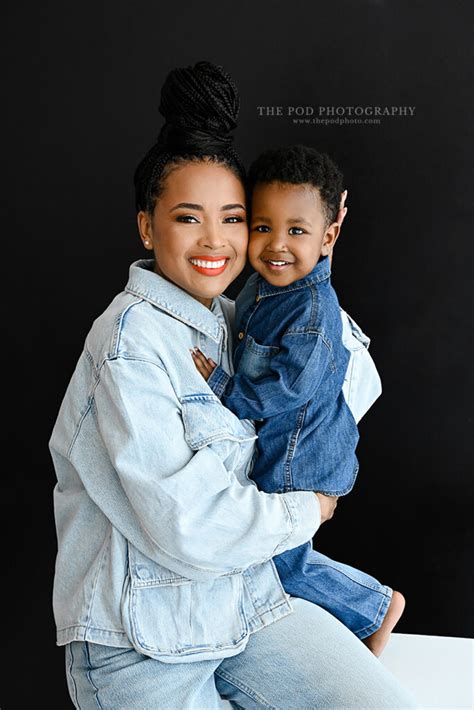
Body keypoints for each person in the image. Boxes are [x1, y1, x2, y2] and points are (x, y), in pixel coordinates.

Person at [49, 60, 418, 708]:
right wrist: (308, 510)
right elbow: (186, 526)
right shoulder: (129, 346)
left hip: (242, 605)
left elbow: (354, 378)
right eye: (189, 218)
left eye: (235, 218)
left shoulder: (232, 315)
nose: (215, 240)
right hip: (146, 646)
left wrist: (314, 253)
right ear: (146, 224)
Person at [191, 145, 406, 657]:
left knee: (278, 560)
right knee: (272, 554)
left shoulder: (310, 311)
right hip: (282, 443)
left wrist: (224, 386)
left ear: (328, 236)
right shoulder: (266, 286)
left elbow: (289, 389)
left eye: (297, 231)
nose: (276, 246)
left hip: (300, 454)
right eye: (263, 228)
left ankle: (375, 607)